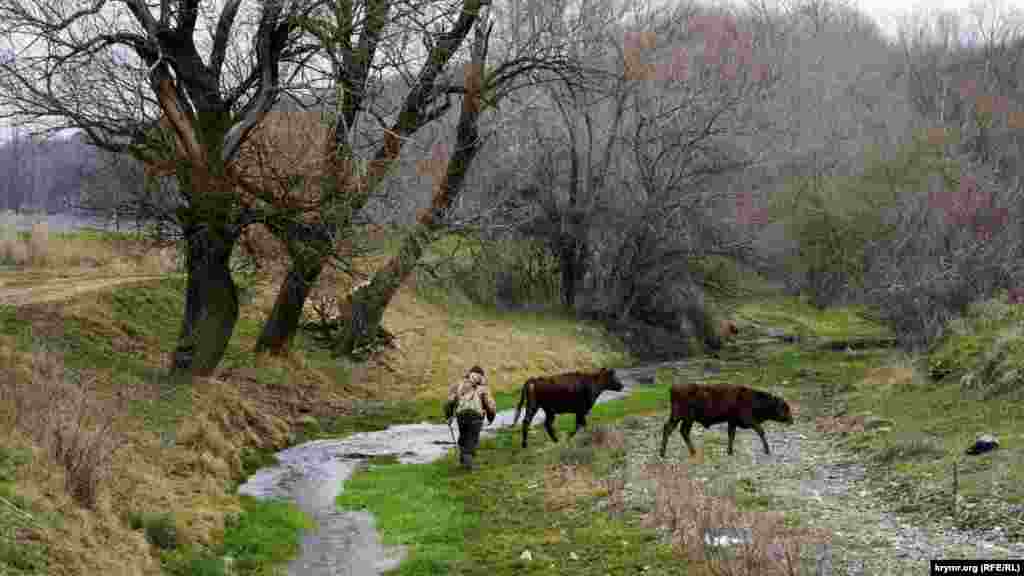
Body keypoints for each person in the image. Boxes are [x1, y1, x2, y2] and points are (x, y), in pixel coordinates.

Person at [444, 365, 497, 470]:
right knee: (472, 440)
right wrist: (491, 418)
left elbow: (449, 402)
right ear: (481, 376)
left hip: (461, 415)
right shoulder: (483, 388)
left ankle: (463, 462)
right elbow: (490, 406)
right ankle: (468, 466)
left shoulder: (459, 384)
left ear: (469, 373)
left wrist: (449, 416)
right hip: (476, 416)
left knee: (463, 437)